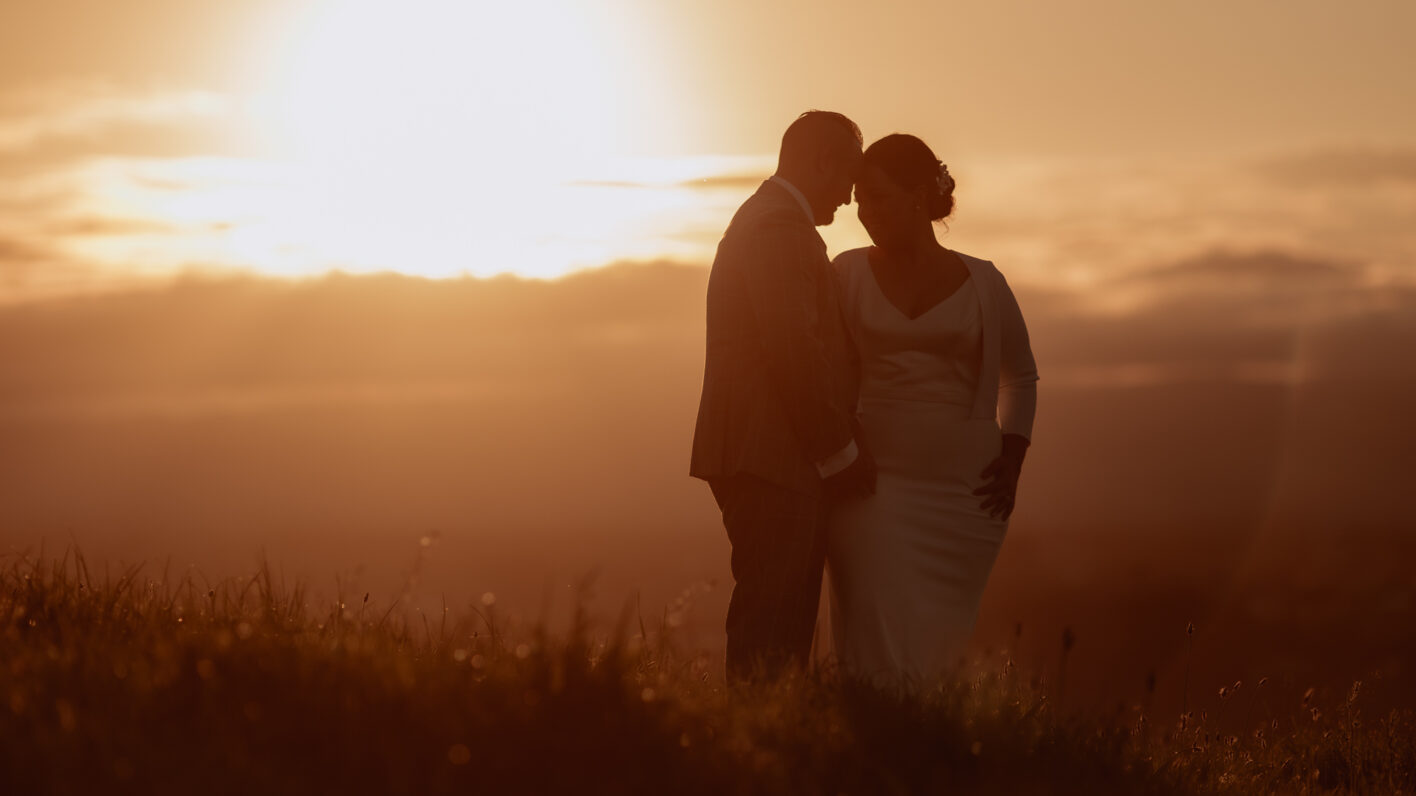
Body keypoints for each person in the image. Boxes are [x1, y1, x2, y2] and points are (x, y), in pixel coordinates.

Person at [826, 133, 1038, 686]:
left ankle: (924, 748)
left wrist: (1013, 457)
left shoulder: (985, 283)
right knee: (871, 633)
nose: (862, 213)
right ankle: (869, 741)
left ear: (919, 196)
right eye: (857, 199)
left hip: (962, 495)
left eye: (875, 197)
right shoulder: (845, 274)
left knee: (937, 647)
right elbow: (820, 374)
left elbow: (1021, 376)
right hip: (867, 484)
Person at [690, 111, 876, 683]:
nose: (850, 197)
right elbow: (794, 348)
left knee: (779, 622)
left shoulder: (770, 221)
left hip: (766, 453)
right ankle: (756, 753)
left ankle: (765, 744)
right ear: (821, 162)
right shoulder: (778, 229)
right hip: (771, 457)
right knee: (772, 626)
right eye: (848, 175)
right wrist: (839, 453)